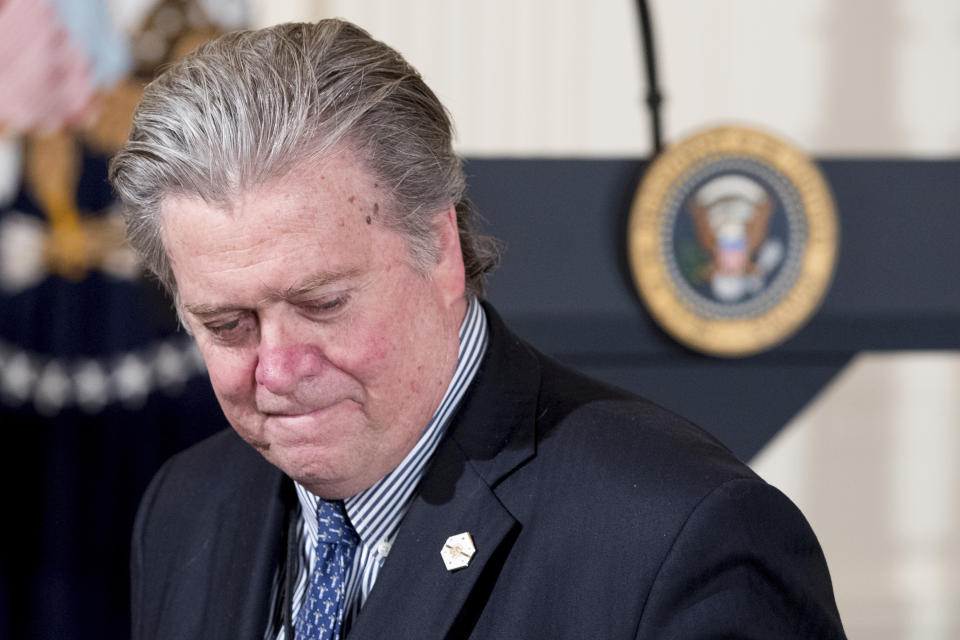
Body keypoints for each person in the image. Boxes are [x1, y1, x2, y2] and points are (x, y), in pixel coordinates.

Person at [109, 19, 846, 640]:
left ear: (442, 251)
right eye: (228, 324)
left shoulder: (683, 537)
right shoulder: (184, 508)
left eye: (322, 304)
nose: (277, 368)